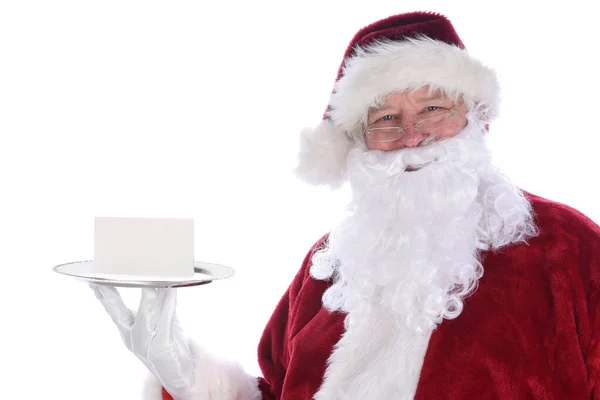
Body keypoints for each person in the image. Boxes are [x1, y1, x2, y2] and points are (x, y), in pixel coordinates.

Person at [90, 11, 600, 400]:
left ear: (475, 119)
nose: (412, 136)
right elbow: (279, 388)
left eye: (434, 108)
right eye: (385, 119)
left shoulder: (568, 249)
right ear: (356, 142)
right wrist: (188, 375)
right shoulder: (330, 266)